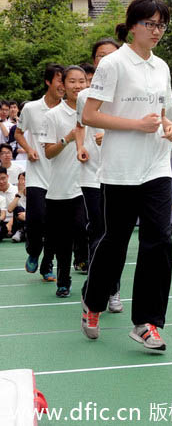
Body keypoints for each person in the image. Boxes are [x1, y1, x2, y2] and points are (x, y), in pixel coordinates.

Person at [79, 0, 172, 351]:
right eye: (151, 24)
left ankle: (146, 322)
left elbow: (170, 117)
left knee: (159, 240)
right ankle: (93, 302)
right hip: (121, 168)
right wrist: (135, 125)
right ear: (133, 24)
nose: (157, 31)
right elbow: (90, 114)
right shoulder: (113, 64)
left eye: (161, 26)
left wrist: (171, 130)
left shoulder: (162, 67)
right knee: (116, 241)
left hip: (157, 165)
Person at [75, 37, 123, 312]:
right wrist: (82, 145)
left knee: (114, 235)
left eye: (110, 55)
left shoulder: (129, 91)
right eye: (100, 56)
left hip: (120, 174)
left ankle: (110, 289)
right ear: (94, 62)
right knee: (99, 232)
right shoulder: (84, 96)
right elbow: (81, 125)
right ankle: (101, 291)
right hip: (93, 174)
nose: (105, 61)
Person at [42, 66, 89, 298]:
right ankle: (63, 280)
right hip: (60, 189)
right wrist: (67, 139)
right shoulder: (53, 115)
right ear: (63, 85)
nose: (77, 86)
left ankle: (84, 262)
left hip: (87, 184)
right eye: (72, 81)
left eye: (82, 81)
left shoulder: (94, 112)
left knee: (83, 227)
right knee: (62, 239)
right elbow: (49, 152)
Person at [15, 64, 64, 282]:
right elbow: (18, 133)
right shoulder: (31, 108)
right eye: (60, 81)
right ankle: (34, 250)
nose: (63, 86)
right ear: (48, 81)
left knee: (55, 224)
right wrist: (29, 149)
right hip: (36, 174)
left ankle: (47, 264)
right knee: (36, 219)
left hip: (61, 176)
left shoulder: (69, 110)